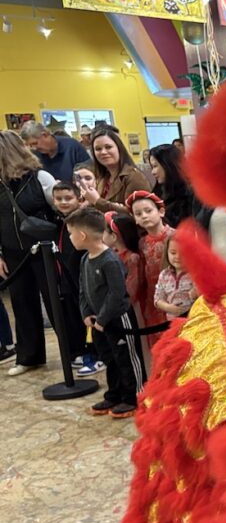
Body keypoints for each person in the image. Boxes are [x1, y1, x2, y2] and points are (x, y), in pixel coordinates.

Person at [66, 207, 146, 419]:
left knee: (126, 358)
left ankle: (134, 396)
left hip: (117, 319)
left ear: (82, 235)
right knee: (109, 358)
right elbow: (82, 288)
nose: (69, 238)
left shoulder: (110, 260)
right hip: (98, 322)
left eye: (71, 234)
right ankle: (115, 393)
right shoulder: (85, 259)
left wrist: (102, 318)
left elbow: (117, 293)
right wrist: (86, 313)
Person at [0, 130, 58, 377]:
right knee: (22, 303)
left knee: (57, 301)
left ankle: (75, 350)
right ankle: (29, 356)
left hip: (43, 250)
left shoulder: (40, 177)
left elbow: (59, 208)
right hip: (13, 252)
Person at [50, 179, 92, 371]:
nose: (63, 202)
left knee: (87, 315)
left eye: (68, 198)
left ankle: (94, 354)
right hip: (66, 279)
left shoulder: (84, 219)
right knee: (73, 316)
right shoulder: (58, 221)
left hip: (83, 279)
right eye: (59, 199)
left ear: (78, 198)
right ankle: (80, 351)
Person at [128, 191, 173, 332]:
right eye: (139, 214)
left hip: (176, 296)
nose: (144, 216)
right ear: (135, 219)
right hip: (153, 300)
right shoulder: (142, 243)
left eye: (148, 211)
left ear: (161, 212)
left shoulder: (176, 236)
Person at [81, 127, 149, 213]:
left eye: (108, 147)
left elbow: (139, 214)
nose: (103, 152)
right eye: (98, 149)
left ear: (119, 148)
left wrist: (97, 201)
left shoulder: (134, 177)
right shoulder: (102, 178)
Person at [103, 212, 145, 329]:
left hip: (128, 308)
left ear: (113, 236)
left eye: (103, 231)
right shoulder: (111, 255)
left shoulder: (131, 258)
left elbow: (131, 290)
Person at [20, 120, 90, 187]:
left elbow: (89, 174)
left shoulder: (72, 147)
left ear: (45, 135)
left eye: (35, 143)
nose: (34, 148)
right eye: (30, 145)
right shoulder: (34, 155)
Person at [148, 143, 199, 228]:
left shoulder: (191, 193)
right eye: (152, 167)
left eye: (155, 166)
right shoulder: (159, 191)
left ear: (168, 165)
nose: (153, 172)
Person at [153, 233, 195, 321]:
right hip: (172, 322)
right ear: (167, 252)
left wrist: (196, 293)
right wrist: (168, 307)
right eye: (173, 253)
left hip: (194, 321)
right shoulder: (164, 275)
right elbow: (158, 299)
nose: (177, 257)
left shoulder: (195, 273)